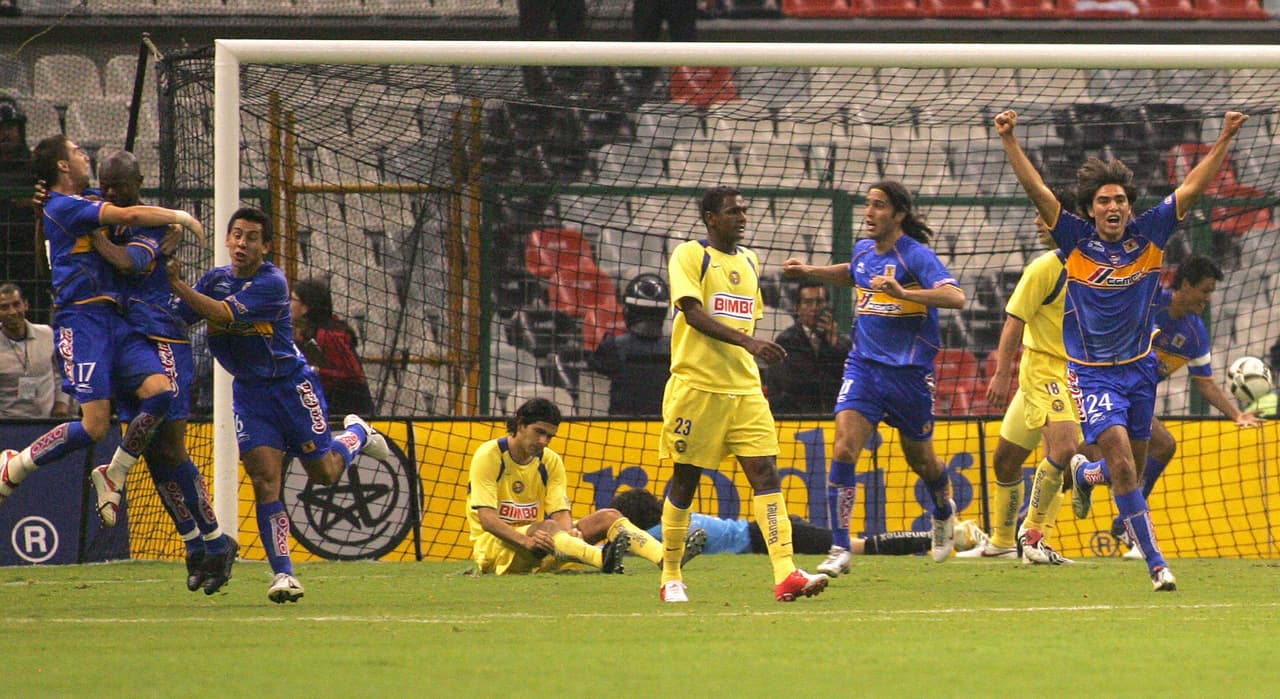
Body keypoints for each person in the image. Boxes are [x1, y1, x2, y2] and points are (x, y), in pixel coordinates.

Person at [997, 107, 1249, 591]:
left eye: (1119, 200)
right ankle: (1157, 564)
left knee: (1117, 471)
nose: (1112, 207)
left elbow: (1193, 188)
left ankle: (1086, 476)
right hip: (1091, 375)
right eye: (1102, 200)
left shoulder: (1150, 235)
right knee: (1126, 465)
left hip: (1140, 372)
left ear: (1129, 207)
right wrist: (1010, 141)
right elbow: (1038, 192)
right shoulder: (1074, 241)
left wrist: (1223, 138)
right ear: (1090, 209)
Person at [166, 206, 391, 603]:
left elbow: (219, 314)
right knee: (264, 481)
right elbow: (177, 318)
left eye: (252, 237)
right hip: (251, 395)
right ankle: (283, 574)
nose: (241, 243)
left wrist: (178, 285)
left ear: (266, 246)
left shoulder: (272, 283)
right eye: (236, 234)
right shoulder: (215, 280)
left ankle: (357, 434)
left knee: (324, 472)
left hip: (291, 387)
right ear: (226, 239)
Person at [0, 136, 203, 524]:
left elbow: (123, 213)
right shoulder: (65, 206)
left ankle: (115, 472)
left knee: (160, 393)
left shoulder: (81, 200)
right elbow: (127, 217)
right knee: (94, 425)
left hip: (115, 320)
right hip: (82, 321)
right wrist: (180, 217)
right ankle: (17, 464)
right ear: (62, 166)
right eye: (76, 152)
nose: (83, 157)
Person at [782, 180, 966, 577]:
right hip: (864, 367)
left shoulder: (916, 256)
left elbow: (956, 297)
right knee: (845, 448)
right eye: (867, 204)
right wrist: (810, 270)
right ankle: (840, 546)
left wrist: (904, 292)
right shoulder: (864, 250)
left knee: (922, 459)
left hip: (909, 376)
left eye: (878, 205)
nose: (869, 212)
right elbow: (853, 274)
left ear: (898, 214)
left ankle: (942, 508)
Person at [656, 185, 829, 603]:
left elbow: (747, 321)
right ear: (711, 218)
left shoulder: (750, 260)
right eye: (734, 211)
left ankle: (786, 573)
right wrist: (749, 344)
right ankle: (671, 576)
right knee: (686, 479)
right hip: (697, 387)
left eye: (745, 211)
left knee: (766, 474)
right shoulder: (689, 255)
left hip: (746, 389)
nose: (743, 217)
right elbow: (692, 313)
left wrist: (750, 350)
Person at [84, 149, 238, 593]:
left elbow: (125, 261)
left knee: (169, 446)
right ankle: (197, 543)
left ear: (140, 182)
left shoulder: (152, 224)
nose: (112, 192)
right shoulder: (104, 210)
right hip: (125, 342)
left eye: (121, 185)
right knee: (150, 452)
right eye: (106, 184)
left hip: (162, 336)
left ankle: (214, 538)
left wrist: (91, 233)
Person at [1077, 255, 1261, 559]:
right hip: (1104, 387)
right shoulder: (1148, 305)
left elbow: (1205, 383)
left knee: (1160, 447)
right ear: (1185, 286)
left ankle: (1120, 518)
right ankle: (1072, 482)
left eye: (1211, 292)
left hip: (1134, 400)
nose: (1208, 298)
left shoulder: (1195, 331)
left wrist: (1237, 414)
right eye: (1205, 290)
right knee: (1090, 456)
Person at [959, 189, 1081, 566]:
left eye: (1042, 214)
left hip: (1073, 373)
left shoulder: (1095, 268)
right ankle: (1026, 538)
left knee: (1007, 460)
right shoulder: (1044, 268)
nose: (1035, 221)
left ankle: (1008, 540)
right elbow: (1014, 322)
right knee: (1063, 449)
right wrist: (999, 373)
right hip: (1042, 369)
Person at [467, 397, 692, 575]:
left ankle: (666, 558)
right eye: (539, 432)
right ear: (520, 425)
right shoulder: (489, 455)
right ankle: (601, 559)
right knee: (546, 527)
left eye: (550, 436)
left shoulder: (550, 460)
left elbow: (559, 510)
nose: (544, 441)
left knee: (608, 516)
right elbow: (487, 520)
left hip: (543, 542)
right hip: (496, 550)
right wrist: (527, 541)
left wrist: (569, 532)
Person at [587, 272, 671, 416]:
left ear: (627, 311)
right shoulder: (675, 348)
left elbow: (594, 366)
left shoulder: (612, 346)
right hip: (664, 427)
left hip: (622, 428)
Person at [290, 277, 374, 416]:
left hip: (349, 409)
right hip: (328, 404)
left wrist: (316, 371)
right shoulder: (307, 332)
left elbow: (352, 374)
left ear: (305, 307)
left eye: (293, 299)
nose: (289, 304)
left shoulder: (330, 334)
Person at [765, 279, 850, 415]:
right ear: (798, 307)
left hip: (833, 414)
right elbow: (797, 384)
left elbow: (847, 378)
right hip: (795, 415)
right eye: (808, 302)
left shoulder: (841, 341)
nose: (815, 308)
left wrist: (834, 344)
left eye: (820, 302)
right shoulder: (787, 341)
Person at [0, 283, 71, 418]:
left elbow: (64, 373)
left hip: (48, 423)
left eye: (16, 304)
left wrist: (61, 403)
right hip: (7, 427)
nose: (12, 312)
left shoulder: (48, 334)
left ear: (25, 305)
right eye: (4, 307)